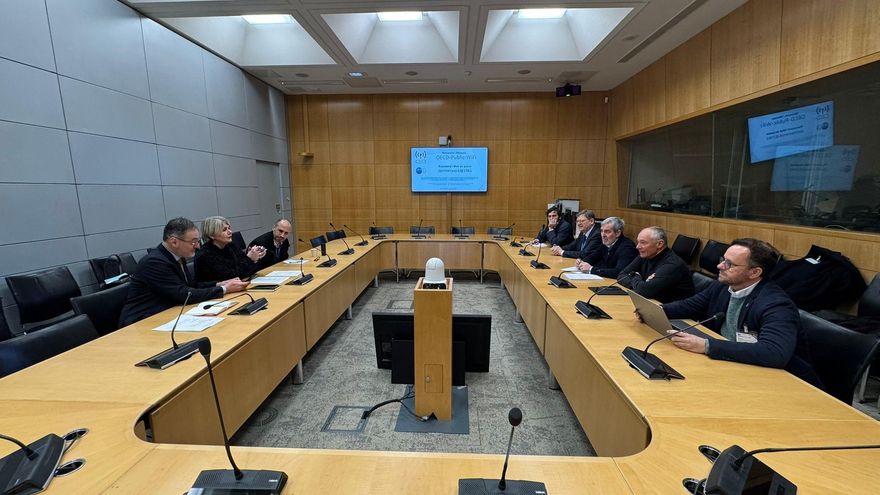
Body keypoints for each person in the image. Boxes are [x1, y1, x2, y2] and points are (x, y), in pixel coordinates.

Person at [659, 238, 820, 386]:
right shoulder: (723, 285)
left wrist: (706, 345)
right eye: (723, 259)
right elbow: (690, 305)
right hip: (732, 365)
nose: (720, 266)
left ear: (754, 272)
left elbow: (774, 353)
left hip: (783, 382)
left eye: (729, 264)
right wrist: (655, 311)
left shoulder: (776, 304)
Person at [119, 217, 249, 326]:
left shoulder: (177, 257)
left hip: (169, 314)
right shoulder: (155, 262)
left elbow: (189, 286)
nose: (198, 246)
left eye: (197, 241)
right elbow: (183, 294)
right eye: (193, 242)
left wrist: (219, 284)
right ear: (174, 242)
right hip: (142, 321)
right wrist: (224, 290)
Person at [618, 227, 694, 303]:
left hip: (672, 311)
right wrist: (640, 284)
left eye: (643, 242)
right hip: (651, 304)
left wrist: (634, 276)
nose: (637, 247)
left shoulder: (672, 265)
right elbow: (621, 275)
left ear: (660, 244)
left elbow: (644, 291)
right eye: (638, 242)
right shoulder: (646, 255)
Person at [195, 216, 266, 284]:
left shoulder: (230, 246)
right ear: (212, 235)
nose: (230, 232)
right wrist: (250, 258)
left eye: (229, 228)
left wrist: (256, 258)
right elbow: (233, 277)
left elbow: (247, 270)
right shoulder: (205, 255)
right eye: (224, 230)